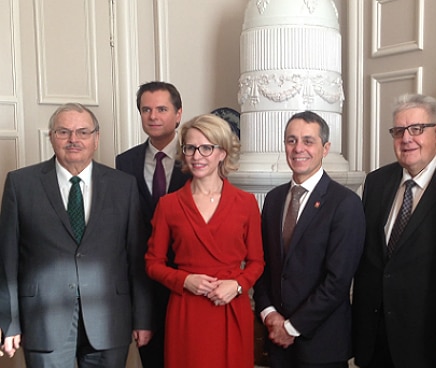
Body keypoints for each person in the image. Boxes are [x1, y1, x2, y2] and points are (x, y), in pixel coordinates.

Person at [0, 103, 153, 366]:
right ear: (51, 137)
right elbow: (7, 260)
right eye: (63, 132)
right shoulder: (20, 184)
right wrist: (10, 321)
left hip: (109, 320)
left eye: (83, 132)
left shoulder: (123, 186)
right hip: (43, 321)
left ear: (96, 138)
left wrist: (142, 318)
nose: (73, 139)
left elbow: (136, 257)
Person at [352, 94, 436, 367]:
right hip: (376, 338)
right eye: (399, 131)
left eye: (417, 129)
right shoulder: (377, 181)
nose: (406, 138)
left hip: (430, 338)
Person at [144, 114, 264, 368]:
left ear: (223, 153)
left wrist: (239, 285)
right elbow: (153, 263)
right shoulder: (169, 205)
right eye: (190, 148)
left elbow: (257, 262)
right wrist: (184, 280)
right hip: (187, 308)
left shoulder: (246, 203)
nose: (197, 156)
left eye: (206, 148)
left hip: (231, 306)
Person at [253, 111, 365, 368]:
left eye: (308, 141)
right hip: (277, 342)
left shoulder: (345, 203)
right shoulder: (273, 199)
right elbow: (262, 263)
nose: (298, 148)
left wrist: (291, 328)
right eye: (291, 140)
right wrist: (269, 314)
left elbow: (337, 282)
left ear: (325, 148)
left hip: (321, 345)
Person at [116, 81, 191, 368]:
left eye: (162, 109)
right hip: (143, 278)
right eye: (146, 109)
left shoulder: (196, 157)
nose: (153, 116)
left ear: (178, 114)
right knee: (152, 359)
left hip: (187, 277)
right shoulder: (125, 162)